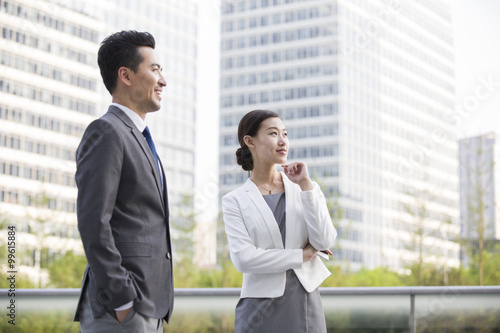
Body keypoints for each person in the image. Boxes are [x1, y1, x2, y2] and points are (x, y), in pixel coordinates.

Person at [73, 30, 173, 332]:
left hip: (149, 306)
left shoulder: (138, 137)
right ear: (126, 76)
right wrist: (122, 300)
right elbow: (93, 223)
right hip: (124, 309)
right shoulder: (106, 132)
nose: (163, 80)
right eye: (154, 69)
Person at [222, 109, 337, 332]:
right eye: (273, 134)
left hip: (304, 302)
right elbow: (244, 259)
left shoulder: (306, 188)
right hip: (258, 307)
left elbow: (324, 240)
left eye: (285, 134)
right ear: (249, 141)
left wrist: (305, 186)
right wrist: (301, 255)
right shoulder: (234, 201)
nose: (282, 141)